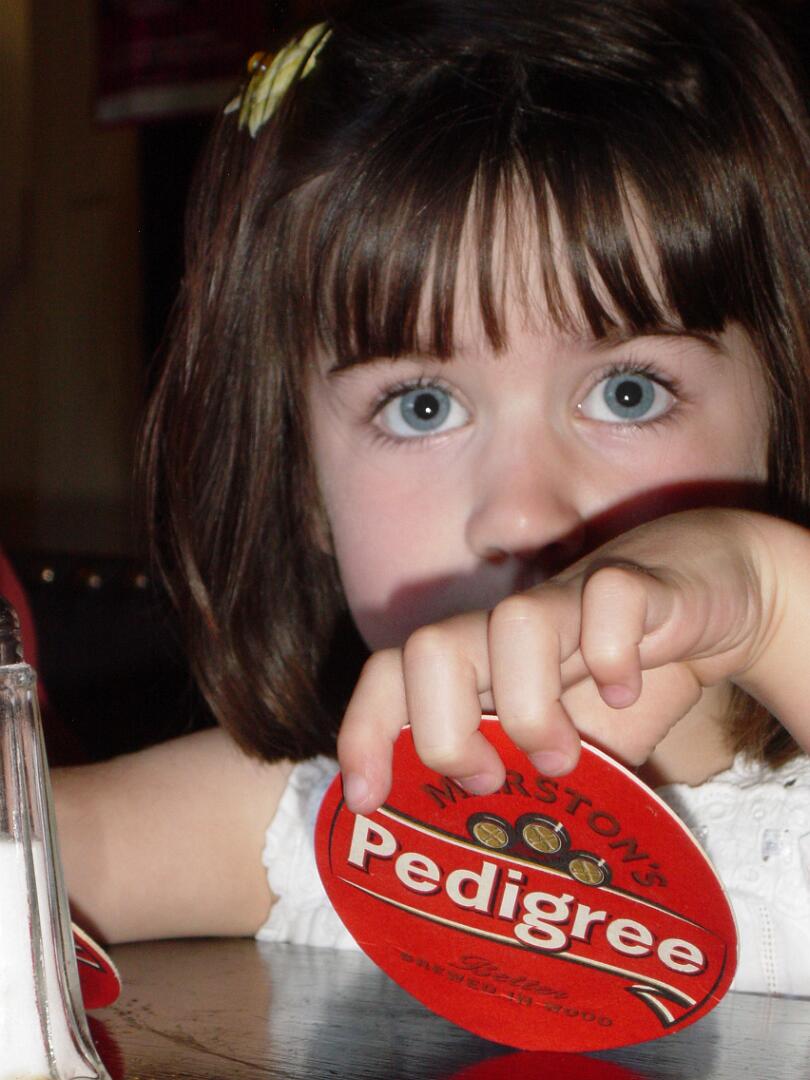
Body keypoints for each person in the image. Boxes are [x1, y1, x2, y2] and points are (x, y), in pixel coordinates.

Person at [53, 0, 810, 996]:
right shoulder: (320, 823)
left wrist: (769, 593)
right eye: (422, 406)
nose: (526, 513)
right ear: (306, 487)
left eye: (629, 393)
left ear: (786, 410)